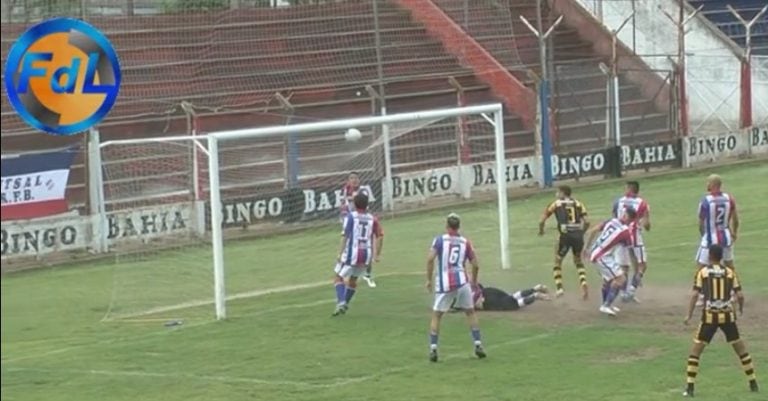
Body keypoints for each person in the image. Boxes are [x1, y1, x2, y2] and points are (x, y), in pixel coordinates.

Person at [682, 244, 758, 397]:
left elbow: (695, 295)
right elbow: (740, 295)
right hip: (728, 316)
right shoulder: (730, 273)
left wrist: (689, 315)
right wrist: (741, 308)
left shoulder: (702, 272)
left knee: (696, 352)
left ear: (709, 256)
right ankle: (753, 382)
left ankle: (690, 387)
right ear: (721, 257)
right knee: (740, 349)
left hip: (709, 317)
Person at [426, 213, 486, 362]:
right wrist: (474, 281)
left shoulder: (439, 240)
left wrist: (428, 280)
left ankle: (433, 349)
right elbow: (476, 264)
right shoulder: (465, 242)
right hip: (462, 281)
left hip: (445, 284)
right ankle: (478, 345)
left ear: (447, 226)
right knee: (470, 313)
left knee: (437, 315)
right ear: (458, 227)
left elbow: (430, 259)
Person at [331, 193, 383, 316]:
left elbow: (345, 236)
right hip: (366, 254)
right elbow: (380, 236)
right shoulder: (373, 218)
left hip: (352, 253)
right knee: (353, 279)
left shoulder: (351, 217)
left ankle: (342, 301)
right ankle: (344, 305)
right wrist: (377, 254)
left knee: (338, 277)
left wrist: (340, 253)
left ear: (354, 204)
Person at [538, 185, 590, 299]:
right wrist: (581, 232)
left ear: (562, 193)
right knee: (578, 261)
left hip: (565, 235)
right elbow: (587, 221)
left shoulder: (556, 203)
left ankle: (559, 288)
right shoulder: (578, 203)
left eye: (557, 192)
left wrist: (541, 230)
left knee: (557, 262)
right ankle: (583, 282)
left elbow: (542, 220)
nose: (556, 194)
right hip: (577, 236)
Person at [583, 207, 636, 316]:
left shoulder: (611, 221)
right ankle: (606, 305)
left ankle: (607, 305)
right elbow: (630, 251)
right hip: (602, 256)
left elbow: (593, 231)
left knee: (608, 280)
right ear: (631, 220)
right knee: (621, 279)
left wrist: (586, 248)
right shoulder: (626, 232)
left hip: (596, 253)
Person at [612, 180, 651, 302]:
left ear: (629, 188)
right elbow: (647, 225)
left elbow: (614, 219)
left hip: (620, 236)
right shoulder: (642, 203)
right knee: (642, 265)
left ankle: (624, 293)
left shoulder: (618, 202)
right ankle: (632, 289)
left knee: (623, 266)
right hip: (634, 236)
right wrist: (646, 225)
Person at [338, 172, 377, 288]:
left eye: (356, 178)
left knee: (367, 247)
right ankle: (347, 273)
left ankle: (368, 274)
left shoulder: (363, 190)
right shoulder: (344, 190)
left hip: (363, 221)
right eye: (351, 178)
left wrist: (350, 199)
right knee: (349, 248)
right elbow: (343, 206)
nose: (354, 180)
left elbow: (360, 204)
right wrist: (344, 219)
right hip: (351, 222)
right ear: (348, 181)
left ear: (359, 180)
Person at [696, 174, 738, 269]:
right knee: (730, 265)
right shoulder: (729, 199)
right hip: (726, 238)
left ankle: (700, 283)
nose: (706, 184)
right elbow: (735, 219)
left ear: (713, 184)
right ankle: (735, 282)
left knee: (701, 267)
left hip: (710, 239)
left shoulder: (705, 201)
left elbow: (701, 223)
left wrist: (704, 236)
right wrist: (734, 233)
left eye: (708, 182)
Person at [450, 283, 550, 312]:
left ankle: (535, 296)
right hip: (488, 291)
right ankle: (534, 289)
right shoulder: (465, 286)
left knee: (514, 305)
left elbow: (461, 308)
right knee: (511, 297)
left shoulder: (462, 300)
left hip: (488, 301)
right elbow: (478, 285)